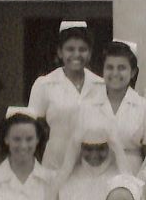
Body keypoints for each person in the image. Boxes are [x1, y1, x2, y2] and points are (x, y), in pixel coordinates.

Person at [27, 20, 104, 170]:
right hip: (55, 165)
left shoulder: (100, 85)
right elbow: (31, 130)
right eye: (70, 49)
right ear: (60, 52)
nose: (76, 54)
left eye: (82, 49)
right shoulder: (45, 84)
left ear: (89, 53)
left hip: (91, 166)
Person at [78, 40, 146, 173]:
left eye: (121, 68)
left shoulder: (145, 107)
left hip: (133, 175)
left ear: (133, 72)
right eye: (110, 67)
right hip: (95, 174)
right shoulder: (87, 106)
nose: (115, 73)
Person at [55, 118, 129, 200]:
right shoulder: (67, 179)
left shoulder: (120, 178)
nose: (94, 155)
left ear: (110, 148)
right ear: (79, 148)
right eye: (88, 148)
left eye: (100, 148)